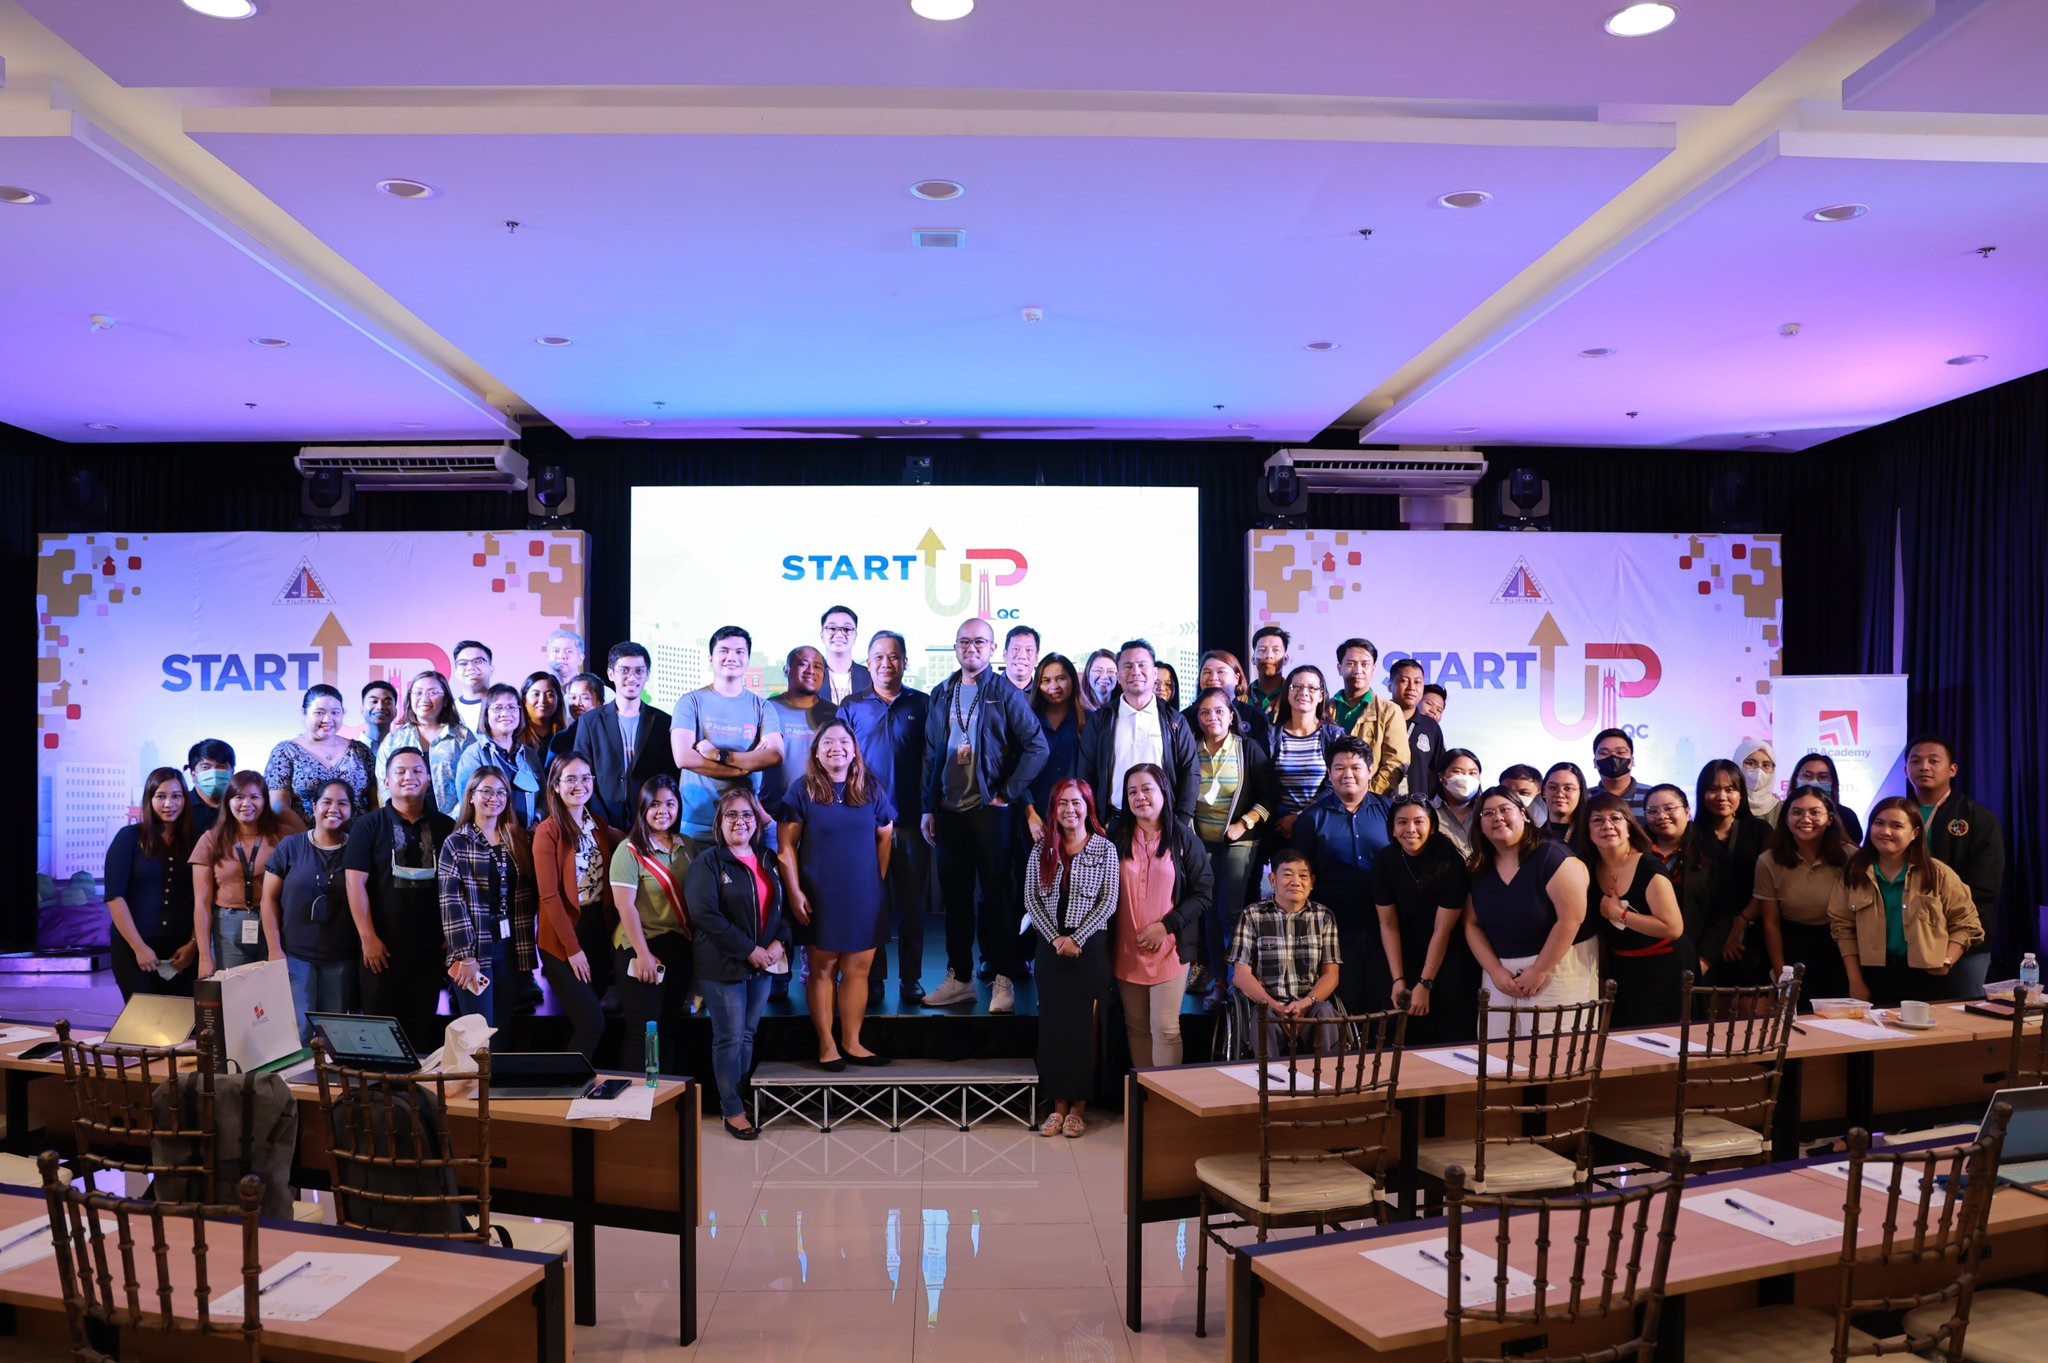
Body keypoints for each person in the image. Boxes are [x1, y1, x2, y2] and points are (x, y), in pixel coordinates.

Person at [919, 617, 1048, 1013]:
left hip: (989, 812)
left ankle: (1003, 979)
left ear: (992, 649)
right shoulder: (941, 693)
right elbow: (931, 753)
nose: (971, 648)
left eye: (979, 642)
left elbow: (1037, 746)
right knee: (955, 901)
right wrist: (927, 806)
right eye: (964, 642)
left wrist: (1007, 793)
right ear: (955, 648)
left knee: (998, 899)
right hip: (949, 811)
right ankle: (960, 979)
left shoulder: (1004, 692)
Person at [777, 719, 895, 1069]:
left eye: (844, 741)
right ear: (816, 751)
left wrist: (875, 880)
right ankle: (827, 1045)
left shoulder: (870, 787)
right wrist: (794, 892)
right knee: (823, 968)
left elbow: (885, 834)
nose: (836, 748)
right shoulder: (802, 790)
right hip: (819, 895)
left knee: (858, 970)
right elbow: (786, 847)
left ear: (854, 750)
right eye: (827, 742)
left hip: (864, 896)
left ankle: (852, 1042)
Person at [686, 789, 791, 1140]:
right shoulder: (708, 863)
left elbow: (782, 908)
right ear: (719, 822)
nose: (740, 821)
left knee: (746, 1035)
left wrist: (780, 942)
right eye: (731, 815)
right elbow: (705, 915)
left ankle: (739, 1098)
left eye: (747, 815)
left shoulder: (767, 859)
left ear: (756, 822)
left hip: (762, 964)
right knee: (729, 1038)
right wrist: (749, 950)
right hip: (723, 966)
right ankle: (732, 1110)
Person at [841, 631, 931, 1004]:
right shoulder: (852, 706)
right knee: (871, 905)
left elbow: (933, 760)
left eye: (893, 656)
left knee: (912, 906)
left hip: (911, 822)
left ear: (905, 662)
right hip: (866, 824)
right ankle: (874, 977)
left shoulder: (923, 704)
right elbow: (840, 763)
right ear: (868, 663)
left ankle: (910, 978)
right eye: (878, 657)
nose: (886, 664)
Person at [344, 746, 455, 1051]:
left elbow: (454, 887)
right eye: (401, 771)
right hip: (381, 949)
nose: (409, 777)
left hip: (429, 950)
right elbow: (354, 884)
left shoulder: (445, 826)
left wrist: (450, 934)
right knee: (380, 1034)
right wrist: (368, 937)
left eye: (417, 770)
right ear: (386, 780)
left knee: (421, 1030)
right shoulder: (368, 825)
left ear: (428, 779)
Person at [1025, 777, 1117, 1137]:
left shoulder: (1105, 848)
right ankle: (1057, 1104)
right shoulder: (1042, 849)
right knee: (1053, 1028)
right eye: (1062, 803)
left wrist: (1076, 938)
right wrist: (1056, 939)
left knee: (1083, 1030)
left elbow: (1108, 902)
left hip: (1089, 948)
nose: (1069, 809)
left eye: (1076, 802)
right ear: (1054, 809)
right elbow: (1031, 899)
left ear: (1088, 806)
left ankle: (1079, 1106)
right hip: (1050, 947)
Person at [1464, 785, 1595, 1031]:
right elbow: (1471, 924)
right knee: (1496, 1046)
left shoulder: (1552, 855)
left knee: (1547, 1048)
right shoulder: (1480, 864)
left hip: (1555, 966)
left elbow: (1571, 918)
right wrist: (1495, 971)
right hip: (1499, 972)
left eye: (1505, 809)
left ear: (1523, 814)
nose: (1497, 817)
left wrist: (1540, 969)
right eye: (1488, 813)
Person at [1109, 764, 1211, 1070]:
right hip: (1126, 950)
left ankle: (1165, 1097)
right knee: (1137, 1028)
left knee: (1165, 1029)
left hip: (1169, 950)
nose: (1140, 797)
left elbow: (1203, 894)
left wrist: (1166, 927)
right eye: (1132, 791)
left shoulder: (1183, 838)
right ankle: (1145, 1095)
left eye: (1147, 789)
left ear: (1164, 792)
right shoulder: (1115, 837)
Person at [1831, 799, 1981, 1007]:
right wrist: (1855, 980)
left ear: (1915, 833)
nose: (1885, 831)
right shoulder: (1854, 872)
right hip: (1874, 976)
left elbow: (1967, 924)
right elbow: (1842, 928)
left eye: (1897, 826)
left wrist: (1947, 961)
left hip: (1928, 976)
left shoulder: (1937, 873)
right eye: (1879, 823)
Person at [532, 755, 625, 1061]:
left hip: (597, 931)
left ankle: (574, 1080)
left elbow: (628, 844)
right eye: (570, 778)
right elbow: (549, 896)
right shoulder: (548, 831)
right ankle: (566, 1085)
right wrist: (572, 949)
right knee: (591, 1024)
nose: (580, 785)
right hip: (562, 938)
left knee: (581, 1022)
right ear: (555, 785)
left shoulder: (597, 824)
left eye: (586, 778)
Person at [1291, 738, 1394, 1012]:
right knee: (1346, 1006)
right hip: (1335, 929)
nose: (1347, 774)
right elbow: (1302, 875)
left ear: (1370, 771)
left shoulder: (1390, 812)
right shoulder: (1311, 819)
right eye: (1339, 768)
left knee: (1383, 1004)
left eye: (1355, 767)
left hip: (1385, 926)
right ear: (1329, 773)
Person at [1188, 687, 1275, 1005]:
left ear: (1231, 716)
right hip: (1202, 843)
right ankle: (1220, 982)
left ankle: (1240, 981)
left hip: (1240, 841)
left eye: (1219, 711)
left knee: (1232, 911)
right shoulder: (1190, 748)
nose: (1212, 717)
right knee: (1210, 912)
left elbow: (1269, 795)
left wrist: (1245, 822)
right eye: (1205, 712)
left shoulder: (1247, 748)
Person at [436, 768, 539, 1031]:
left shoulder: (517, 839)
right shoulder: (456, 843)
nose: (495, 798)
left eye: (501, 792)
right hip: (474, 944)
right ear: (471, 796)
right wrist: (465, 955)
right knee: (479, 1031)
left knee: (501, 1027)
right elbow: (451, 903)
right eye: (487, 791)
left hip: (510, 944)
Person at [1370, 796, 1478, 1045]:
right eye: (1402, 822)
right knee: (1407, 1031)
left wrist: (1425, 983)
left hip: (1449, 953)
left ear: (1432, 827)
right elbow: (1388, 924)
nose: (1410, 829)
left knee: (1450, 1031)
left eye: (1419, 822)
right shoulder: (1384, 861)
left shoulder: (1450, 862)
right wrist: (1398, 979)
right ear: (1392, 829)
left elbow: (1443, 930)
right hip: (1407, 950)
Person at [1906, 735, 2004, 999]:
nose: (1924, 767)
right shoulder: (1897, 815)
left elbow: (1986, 886)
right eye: (1916, 761)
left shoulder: (1977, 817)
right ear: (1905, 769)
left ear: (1952, 769)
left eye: (1933, 761)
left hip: (1963, 936)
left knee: (1963, 1009)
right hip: (1910, 935)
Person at [261, 779, 361, 1042]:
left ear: (351, 810)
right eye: (326, 802)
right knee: (297, 1034)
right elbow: (268, 900)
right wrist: (274, 949)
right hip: (296, 955)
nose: (333, 809)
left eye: (342, 803)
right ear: (314, 807)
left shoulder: (358, 849)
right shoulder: (290, 846)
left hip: (341, 957)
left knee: (334, 1035)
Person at [1576, 792, 1686, 1028]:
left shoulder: (1648, 866)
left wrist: (1619, 915)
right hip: (1620, 971)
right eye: (1597, 820)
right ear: (1587, 830)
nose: (1607, 826)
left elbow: (1673, 928)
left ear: (1629, 827)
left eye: (1615, 818)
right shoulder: (1587, 869)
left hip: (1663, 968)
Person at [610, 774, 695, 1074]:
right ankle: (642, 1093)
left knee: (668, 1028)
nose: (663, 811)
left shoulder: (688, 846)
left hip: (679, 948)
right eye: (655, 804)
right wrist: (643, 954)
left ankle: (663, 1094)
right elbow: (625, 905)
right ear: (643, 807)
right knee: (645, 1032)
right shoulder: (629, 850)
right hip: (641, 947)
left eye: (670, 804)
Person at [671, 627, 784, 843]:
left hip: (746, 824)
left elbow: (774, 755)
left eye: (739, 652)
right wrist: (743, 769)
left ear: (748, 660)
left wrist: (719, 754)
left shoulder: (762, 707)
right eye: (724, 650)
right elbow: (683, 757)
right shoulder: (690, 702)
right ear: (710, 658)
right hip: (698, 824)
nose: (732, 657)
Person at [1230, 849, 1343, 1056]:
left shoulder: (1324, 917)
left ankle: (1326, 1075)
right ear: (1273, 880)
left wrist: (1305, 1005)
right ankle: (1268, 1077)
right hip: (1269, 1005)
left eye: (1303, 876)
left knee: (1326, 1012)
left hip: (1310, 1004)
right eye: (1288, 874)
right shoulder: (1252, 915)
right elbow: (1241, 975)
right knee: (1261, 1018)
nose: (1296, 882)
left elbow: (1331, 975)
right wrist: (1277, 1007)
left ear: (1312, 882)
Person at [1076, 639, 1198, 823]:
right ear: (1118, 675)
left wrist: (1181, 821)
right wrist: (1092, 822)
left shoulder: (1174, 720)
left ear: (1154, 673)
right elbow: (1086, 774)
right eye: (1127, 666)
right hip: (1113, 822)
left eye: (1142, 665)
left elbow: (1190, 772)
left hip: (1163, 823)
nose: (1135, 671)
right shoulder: (1100, 720)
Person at [103, 767, 198, 999]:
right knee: (143, 1018)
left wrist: (193, 944)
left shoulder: (196, 840)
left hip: (181, 947)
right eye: (161, 796)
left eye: (176, 796)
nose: (169, 804)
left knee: (181, 1017)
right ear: (149, 799)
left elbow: (202, 898)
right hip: (133, 944)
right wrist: (139, 947)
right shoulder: (129, 837)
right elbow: (115, 897)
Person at [1755, 784, 1855, 1004]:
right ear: (1786, 819)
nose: (1805, 819)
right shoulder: (1768, 860)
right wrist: (1782, 974)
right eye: (1797, 812)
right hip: (1793, 944)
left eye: (1814, 812)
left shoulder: (1850, 857)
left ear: (1829, 818)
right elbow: (1771, 923)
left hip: (1841, 945)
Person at [193, 771, 297, 976]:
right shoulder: (211, 839)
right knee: (235, 990)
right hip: (227, 925)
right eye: (239, 797)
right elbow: (202, 902)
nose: (246, 804)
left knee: (273, 989)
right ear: (228, 801)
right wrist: (204, 956)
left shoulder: (283, 835)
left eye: (255, 797)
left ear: (265, 800)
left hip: (276, 922)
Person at [1681, 759, 1773, 984]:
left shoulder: (1759, 830)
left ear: (1741, 794)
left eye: (1730, 789)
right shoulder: (1690, 834)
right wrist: (1718, 940)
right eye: (1713, 789)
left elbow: (1770, 886)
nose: (1722, 796)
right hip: (1704, 938)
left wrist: (1735, 930)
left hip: (1750, 934)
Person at [576, 641, 678, 832]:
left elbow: (669, 777)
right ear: (611, 674)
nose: (632, 677)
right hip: (601, 823)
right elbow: (582, 775)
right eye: (624, 670)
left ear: (647, 674)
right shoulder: (590, 721)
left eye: (639, 671)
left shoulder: (663, 722)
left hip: (650, 823)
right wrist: (601, 823)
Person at [265, 685, 378, 821]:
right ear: (304, 713)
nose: (327, 719)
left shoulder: (361, 751)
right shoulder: (285, 752)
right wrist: (307, 834)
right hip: (302, 831)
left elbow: (375, 802)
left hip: (358, 832)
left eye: (335, 712)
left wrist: (369, 831)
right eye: (319, 713)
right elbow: (278, 806)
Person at [376, 670, 474, 814]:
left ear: (446, 700)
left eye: (433, 692)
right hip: (402, 821)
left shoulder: (463, 737)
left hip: (454, 821)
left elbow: (474, 783)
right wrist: (398, 818)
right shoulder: (393, 740)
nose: (424, 698)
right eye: (418, 692)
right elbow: (384, 786)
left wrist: (453, 820)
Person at [1267, 665, 1345, 840]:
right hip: (1280, 826)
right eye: (1297, 687)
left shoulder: (1333, 735)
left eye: (1312, 688)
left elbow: (1336, 783)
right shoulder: (1270, 735)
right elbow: (1266, 784)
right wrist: (1286, 818)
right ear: (1287, 693)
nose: (1303, 692)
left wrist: (1301, 817)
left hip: (1322, 825)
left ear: (1321, 696)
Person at [455, 683, 546, 826]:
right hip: (490, 836)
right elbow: (467, 804)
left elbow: (544, 796)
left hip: (529, 835)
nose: (505, 714)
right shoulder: (473, 755)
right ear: (486, 714)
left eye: (512, 707)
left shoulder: (529, 755)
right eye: (498, 708)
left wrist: (536, 821)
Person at [761, 646, 836, 819]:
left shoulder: (835, 713)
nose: (811, 671)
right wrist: (764, 818)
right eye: (803, 664)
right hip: (772, 814)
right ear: (786, 670)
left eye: (817, 666)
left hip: (821, 813)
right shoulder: (767, 708)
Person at [1330, 638, 1407, 795]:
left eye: (1365, 664)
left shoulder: (1389, 711)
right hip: (1328, 801)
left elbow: (1395, 763)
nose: (1358, 670)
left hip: (1373, 801)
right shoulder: (1324, 708)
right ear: (1339, 668)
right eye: (1351, 663)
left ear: (1374, 669)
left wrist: (1364, 797)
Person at [1023, 654, 1086, 846]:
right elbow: (1018, 770)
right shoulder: (1027, 721)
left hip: (1078, 818)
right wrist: (1030, 814)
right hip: (1036, 818)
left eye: (1061, 678)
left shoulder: (1089, 721)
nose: (1054, 686)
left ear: (1072, 680)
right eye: (1046, 680)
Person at [1388, 659, 1445, 800]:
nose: (1411, 688)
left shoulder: (1431, 727)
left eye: (1417, 682)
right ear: (1390, 685)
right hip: (1379, 805)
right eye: (1404, 681)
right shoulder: (1377, 719)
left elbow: (1439, 772)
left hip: (1418, 807)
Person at [1189, 649, 1269, 745]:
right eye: (1207, 672)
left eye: (1221, 672)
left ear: (1237, 678)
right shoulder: (1185, 717)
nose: (1213, 678)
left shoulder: (1255, 717)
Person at [1790, 752, 1862, 845]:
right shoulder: (1783, 810)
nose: (1814, 781)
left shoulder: (1846, 816)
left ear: (1832, 782)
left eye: (1822, 777)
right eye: (1807, 775)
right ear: (1796, 779)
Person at [1433, 749, 1484, 858]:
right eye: (1458, 772)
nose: (1466, 778)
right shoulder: (1426, 811)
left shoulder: (1487, 812)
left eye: (1472, 773)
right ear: (1441, 776)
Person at [1592, 728, 1650, 820]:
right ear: (1595, 762)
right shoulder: (1582, 798)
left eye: (1620, 752)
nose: (1613, 757)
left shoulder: (1652, 796)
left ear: (1632, 760)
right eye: (1604, 753)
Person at [819, 606, 871, 705]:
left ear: (855, 636)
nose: (839, 635)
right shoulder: (811, 676)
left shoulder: (871, 677)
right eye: (832, 628)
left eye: (847, 629)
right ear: (822, 635)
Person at [184, 739, 236, 836]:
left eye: (221, 767)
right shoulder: (181, 805)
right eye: (206, 767)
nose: (214, 773)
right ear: (193, 774)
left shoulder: (240, 806)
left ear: (232, 773)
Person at [550, 672, 605, 762]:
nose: (577, 703)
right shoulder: (561, 739)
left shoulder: (611, 733)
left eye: (585, 698)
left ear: (600, 702)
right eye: (573, 697)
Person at [519, 671, 565, 775]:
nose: (542, 700)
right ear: (524, 700)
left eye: (549, 694)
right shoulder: (514, 740)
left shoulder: (566, 738)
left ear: (558, 700)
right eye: (536, 694)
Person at [1641, 784, 1691, 876]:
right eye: (1653, 811)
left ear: (1687, 813)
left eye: (1669, 808)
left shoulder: (1707, 849)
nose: (1661, 816)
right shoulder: (1636, 850)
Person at [450, 640, 495, 735]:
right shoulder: (449, 710)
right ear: (456, 673)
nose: (471, 667)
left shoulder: (506, 707)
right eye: (463, 663)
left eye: (478, 661)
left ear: (491, 669)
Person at [1248, 625, 1290, 721]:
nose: (1269, 656)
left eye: (1276, 650)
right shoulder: (1240, 698)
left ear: (1286, 658)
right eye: (1262, 650)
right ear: (1253, 659)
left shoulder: (1294, 695)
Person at [1736, 739, 1781, 826]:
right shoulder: (1726, 805)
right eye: (1750, 763)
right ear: (1738, 763)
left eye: (1766, 765)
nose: (1759, 771)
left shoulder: (1782, 810)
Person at [1540, 762, 1587, 845]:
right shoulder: (1532, 837)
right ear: (1543, 792)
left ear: (1581, 793)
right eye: (1552, 787)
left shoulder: (1591, 834)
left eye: (1568, 788)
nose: (1559, 794)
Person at [1499, 764, 1547, 831]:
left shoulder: (1549, 820)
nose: (1514, 797)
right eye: (1508, 792)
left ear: (1539, 791)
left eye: (1523, 793)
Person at [358, 681, 398, 755]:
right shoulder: (349, 751)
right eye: (374, 701)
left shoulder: (403, 748)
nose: (380, 707)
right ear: (361, 710)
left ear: (395, 711)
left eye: (387, 703)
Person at [1002, 625, 1040, 694]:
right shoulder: (986, 690)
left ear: (1036, 657)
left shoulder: (1044, 695)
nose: (1022, 656)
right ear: (1005, 654)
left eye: (1029, 650)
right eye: (1015, 649)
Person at [1079, 649, 1118, 715]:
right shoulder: (1076, 709)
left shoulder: (1124, 708)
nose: (1104, 677)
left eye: (1111, 671)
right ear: (1088, 673)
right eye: (1098, 670)